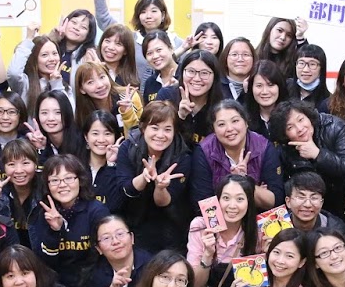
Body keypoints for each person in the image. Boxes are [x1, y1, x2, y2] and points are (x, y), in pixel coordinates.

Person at [114, 101, 192, 253]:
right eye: (155, 128)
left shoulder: (182, 156)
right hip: (133, 221)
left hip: (170, 226)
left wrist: (160, 187)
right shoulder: (128, 147)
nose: (160, 135)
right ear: (143, 128)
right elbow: (126, 190)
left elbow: (165, 202)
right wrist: (144, 177)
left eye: (167, 129)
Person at [31, 154, 110, 287]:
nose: (62, 185)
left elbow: (100, 262)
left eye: (68, 178)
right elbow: (46, 263)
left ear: (80, 180)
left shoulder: (97, 211)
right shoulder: (44, 212)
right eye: (55, 180)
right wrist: (54, 231)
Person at [187, 173, 257, 287]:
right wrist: (207, 254)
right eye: (226, 198)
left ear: (249, 203)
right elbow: (196, 284)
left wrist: (270, 253)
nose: (232, 206)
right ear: (217, 200)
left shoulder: (258, 231)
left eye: (240, 199)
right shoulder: (200, 226)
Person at [191, 100, 282, 210]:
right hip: (220, 218)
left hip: (258, 217)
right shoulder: (204, 151)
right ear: (213, 129)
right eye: (221, 124)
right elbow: (204, 203)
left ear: (246, 122)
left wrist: (244, 181)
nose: (229, 129)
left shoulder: (264, 147)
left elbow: (275, 201)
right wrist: (256, 191)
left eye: (235, 121)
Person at [272, 102, 345, 210]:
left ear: (308, 116)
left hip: (342, 199)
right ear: (285, 134)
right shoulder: (285, 147)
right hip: (307, 204)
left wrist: (318, 154)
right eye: (290, 127)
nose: (299, 128)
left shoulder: (335, 127)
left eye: (301, 120)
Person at [159, 49, 221, 144]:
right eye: (191, 71)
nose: (197, 78)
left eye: (204, 73)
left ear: (215, 76)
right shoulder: (167, 96)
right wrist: (180, 116)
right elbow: (158, 137)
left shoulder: (222, 105)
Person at [0, 138, 41, 246]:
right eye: (11, 164)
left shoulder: (46, 190)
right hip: (9, 253)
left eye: (25, 163)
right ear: (4, 167)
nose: (19, 170)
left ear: (35, 164)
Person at [281, 171, 345, 237]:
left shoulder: (336, 229)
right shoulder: (277, 226)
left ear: (321, 203)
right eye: (301, 197)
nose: (307, 204)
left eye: (314, 198)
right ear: (288, 202)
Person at [82, 110, 126, 211]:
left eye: (107, 134)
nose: (101, 140)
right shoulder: (76, 167)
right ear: (86, 137)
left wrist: (111, 164)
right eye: (95, 133)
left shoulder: (122, 168)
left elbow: (115, 206)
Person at [245, 59, 293, 136]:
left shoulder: (292, 115)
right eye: (259, 86)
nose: (265, 91)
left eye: (270, 85)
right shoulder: (244, 118)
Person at [140, 31, 179, 100]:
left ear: (171, 49)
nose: (155, 56)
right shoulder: (150, 83)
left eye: (159, 50)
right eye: (149, 53)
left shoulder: (187, 74)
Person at [293, 43, 331, 111]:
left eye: (312, 64)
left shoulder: (329, 102)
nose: (305, 70)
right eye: (301, 63)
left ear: (321, 68)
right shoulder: (285, 90)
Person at [220, 37, 255, 102]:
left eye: (245, 54)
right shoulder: (215, 86)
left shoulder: (259, 87)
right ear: (225, 59)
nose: (240, 59)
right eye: (234, 54)